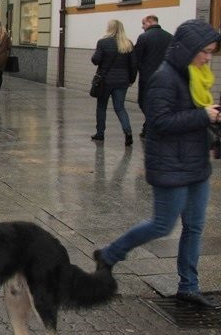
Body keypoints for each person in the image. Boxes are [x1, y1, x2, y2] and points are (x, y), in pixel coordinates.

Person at [94, 20, 221, 310]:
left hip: (196, 163)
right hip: (170, 165)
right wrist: (204, 117)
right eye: (205, 52)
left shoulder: (197, 75)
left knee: (195, 227)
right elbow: (159, 122)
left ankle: (188, 287)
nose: (208, 58)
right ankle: (110, 254)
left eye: (212, 53)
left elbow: (193, 113)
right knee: (162, 225)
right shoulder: (164, 78)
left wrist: (210, 115)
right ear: (190, 49)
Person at [91, 19, 136, 145]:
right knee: (120, 108)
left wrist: (97, 55)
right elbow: (134, 65)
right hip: (122, 81)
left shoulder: (103, 42)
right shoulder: (128, 44)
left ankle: (100, 134)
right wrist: (131, 80)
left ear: (109, 28)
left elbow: (96, 60)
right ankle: (128, 132)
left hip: (105, 81)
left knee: (101, 107)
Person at [132, 14, 172, 138]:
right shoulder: (170, 37)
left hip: (147, 78)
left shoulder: (143, 37)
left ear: (149, 22)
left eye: (143, 24)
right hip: (165, 77)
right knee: (159, 103)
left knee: (143, 102)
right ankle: (150, 126)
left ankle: (150, 126)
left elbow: (136, 59)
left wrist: (132, 76)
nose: (142, 27)